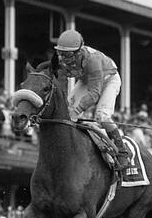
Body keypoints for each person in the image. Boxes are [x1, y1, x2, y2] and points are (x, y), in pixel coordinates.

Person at [52, 28, 131, 174]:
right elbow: (61, 80)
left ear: (79, 51)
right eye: (61, 53)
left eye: (68, 55)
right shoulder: (61, 58)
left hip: (109, 79)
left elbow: (95, 93)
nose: (64, 59)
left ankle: (122, 151)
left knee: (102, 116)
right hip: (86, 79)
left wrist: (76, 109)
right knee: (66, 111)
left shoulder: (93, 61)